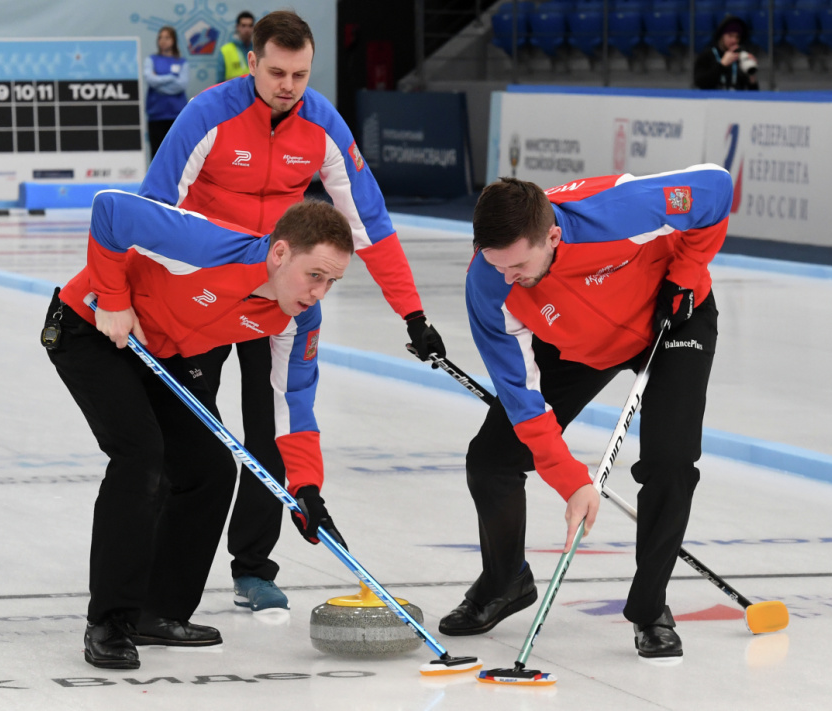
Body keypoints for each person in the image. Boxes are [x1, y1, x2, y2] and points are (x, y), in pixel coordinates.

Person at [140, 9, 445, 614]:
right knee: (187, 438)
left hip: (279, 293)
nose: (287, 85)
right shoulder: (208, 114)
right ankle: (155, 570)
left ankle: (253, 566)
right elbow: (155, 210)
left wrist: (411, 314)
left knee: (272, 426)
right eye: (276, 71)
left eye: (300, 74)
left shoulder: (322, 125)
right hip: (202, 292)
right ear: (252, 63)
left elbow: (370, 224)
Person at [42, 190, 353, 669]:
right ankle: (110, 621)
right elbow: (108, 208)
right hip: (91, 328)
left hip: (162, 353)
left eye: (331, 282)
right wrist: (112, 298)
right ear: (279, 252)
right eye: (314, 275)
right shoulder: (205, 246)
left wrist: (307, 487)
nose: (318, 293)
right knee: (141, 457)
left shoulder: (297, 318)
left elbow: (294, 403)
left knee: (208, 469)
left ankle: (158, 611)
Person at [441, 165, 733, 660]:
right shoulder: (488, 285)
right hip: (581, 345)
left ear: (552, 236)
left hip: (673, 315)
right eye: (495, 265)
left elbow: (716, 188)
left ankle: (649, 607)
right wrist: (571, 478)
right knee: (492, 458)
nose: (506, 278)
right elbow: (522, 400)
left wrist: (683, 276)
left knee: (670, 461)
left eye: (517, 267)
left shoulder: (616, 212)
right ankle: (505, 581)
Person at [143, 26, 190, 159]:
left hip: (176, 114)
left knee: (176, 155)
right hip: (156, 115)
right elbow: (150, 80)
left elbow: (181, 85)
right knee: (157, 154)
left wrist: (159, 81)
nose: (163, 41)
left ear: (174, 40)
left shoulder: (182, 62)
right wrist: (171, 77)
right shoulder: (151, 60)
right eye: (160, 37)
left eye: (167, 37)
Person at [694, 15, 759, 91]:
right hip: (713, 100)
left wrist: (751, 71)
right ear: (721, 36)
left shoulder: (741, 56)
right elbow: (700, 84)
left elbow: (754, 92)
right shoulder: (707, 55)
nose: (734, 40)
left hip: (736, 101)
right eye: (730, 36)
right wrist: (722, 65)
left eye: (737, 37)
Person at [217, 11, 255, 81]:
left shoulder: (258, 49)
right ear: (237, 27)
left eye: (250, 26)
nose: (247, 29)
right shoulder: (225, 50)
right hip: (233, 91)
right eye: (243, 25)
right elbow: (219, 83)